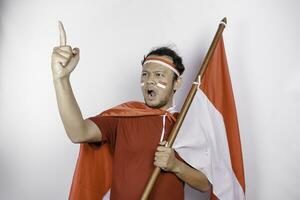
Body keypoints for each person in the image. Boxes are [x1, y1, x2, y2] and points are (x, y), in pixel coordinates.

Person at [52, 21, 211, 200]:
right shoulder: (123, 117)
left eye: (159, 75)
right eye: (145, 74)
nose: (150, 80)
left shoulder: (186, 125)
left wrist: (175, 165)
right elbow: (77, 132)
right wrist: (61, 79)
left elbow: (204, 184)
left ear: (177, 83)